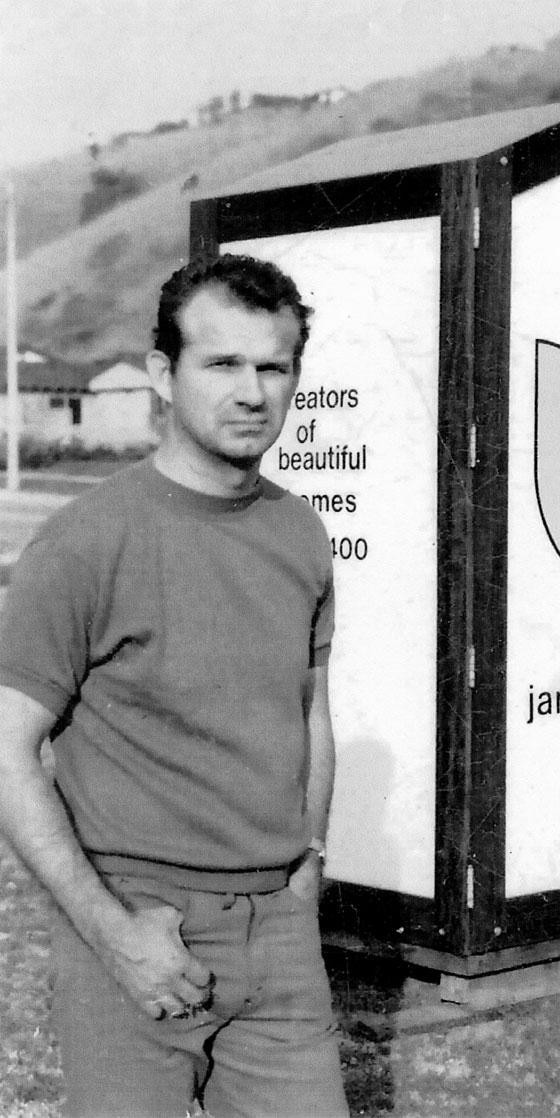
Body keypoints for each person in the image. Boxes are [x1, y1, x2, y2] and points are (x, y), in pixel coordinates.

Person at [0, 253, 350, 1118]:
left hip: (279, 934)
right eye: (222, 363)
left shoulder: (300, 534)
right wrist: (114, 933)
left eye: (274, 366)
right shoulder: (88, 543)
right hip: (138, 927)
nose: (252, 392)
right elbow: (6, 744)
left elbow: (310, 714)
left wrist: (306, 869)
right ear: (162, 374)